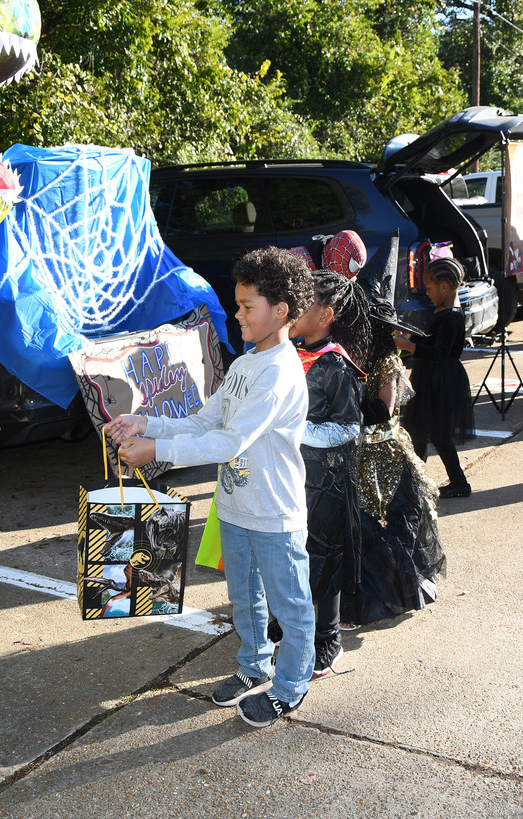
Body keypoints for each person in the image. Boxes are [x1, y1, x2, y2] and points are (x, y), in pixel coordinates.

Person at [103, 246, 316, 729]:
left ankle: (290, 686)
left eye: (246, 308)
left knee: (291, 604)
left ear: (280, 311)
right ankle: (253, 665)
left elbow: (229, 441)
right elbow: (204, 420)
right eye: (237, 305)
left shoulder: (280, 373)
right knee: (244, 597)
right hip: (237, 509)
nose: (237, 315)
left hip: (275, 514)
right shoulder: (245, 366)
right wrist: (146, 424)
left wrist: (156, 452)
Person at [285, 269, 370, 676]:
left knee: (326, 557)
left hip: (328, 483)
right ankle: (289, 624)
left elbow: (349, 428)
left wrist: (296, 427)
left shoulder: (336, 365)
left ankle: (328, 638)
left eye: (305, 302)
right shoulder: (292, 353)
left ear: (327, 315)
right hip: (294, 477)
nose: (295, 309)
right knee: (293, 552)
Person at [340, 300, 445, 627]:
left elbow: (383, 410)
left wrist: (348, 404)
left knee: (394, 524)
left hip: (386, 456)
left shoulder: (387, 363)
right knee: (363, 528)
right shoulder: (356, 359)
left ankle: (400, 590)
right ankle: (381, 591)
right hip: (362, 455)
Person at [393, 257, 475, 499]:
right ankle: (415, 480)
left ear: (445, 286)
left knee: (438, 433)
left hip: (443, 379)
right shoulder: (442, 310)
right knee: (419, 429)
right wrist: (413, 338)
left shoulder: (452, 317)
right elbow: (432, 340)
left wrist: (410, 346)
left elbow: (439, 353)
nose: (426, 292)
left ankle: (459, 482)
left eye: (429, 288)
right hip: (431, 377)